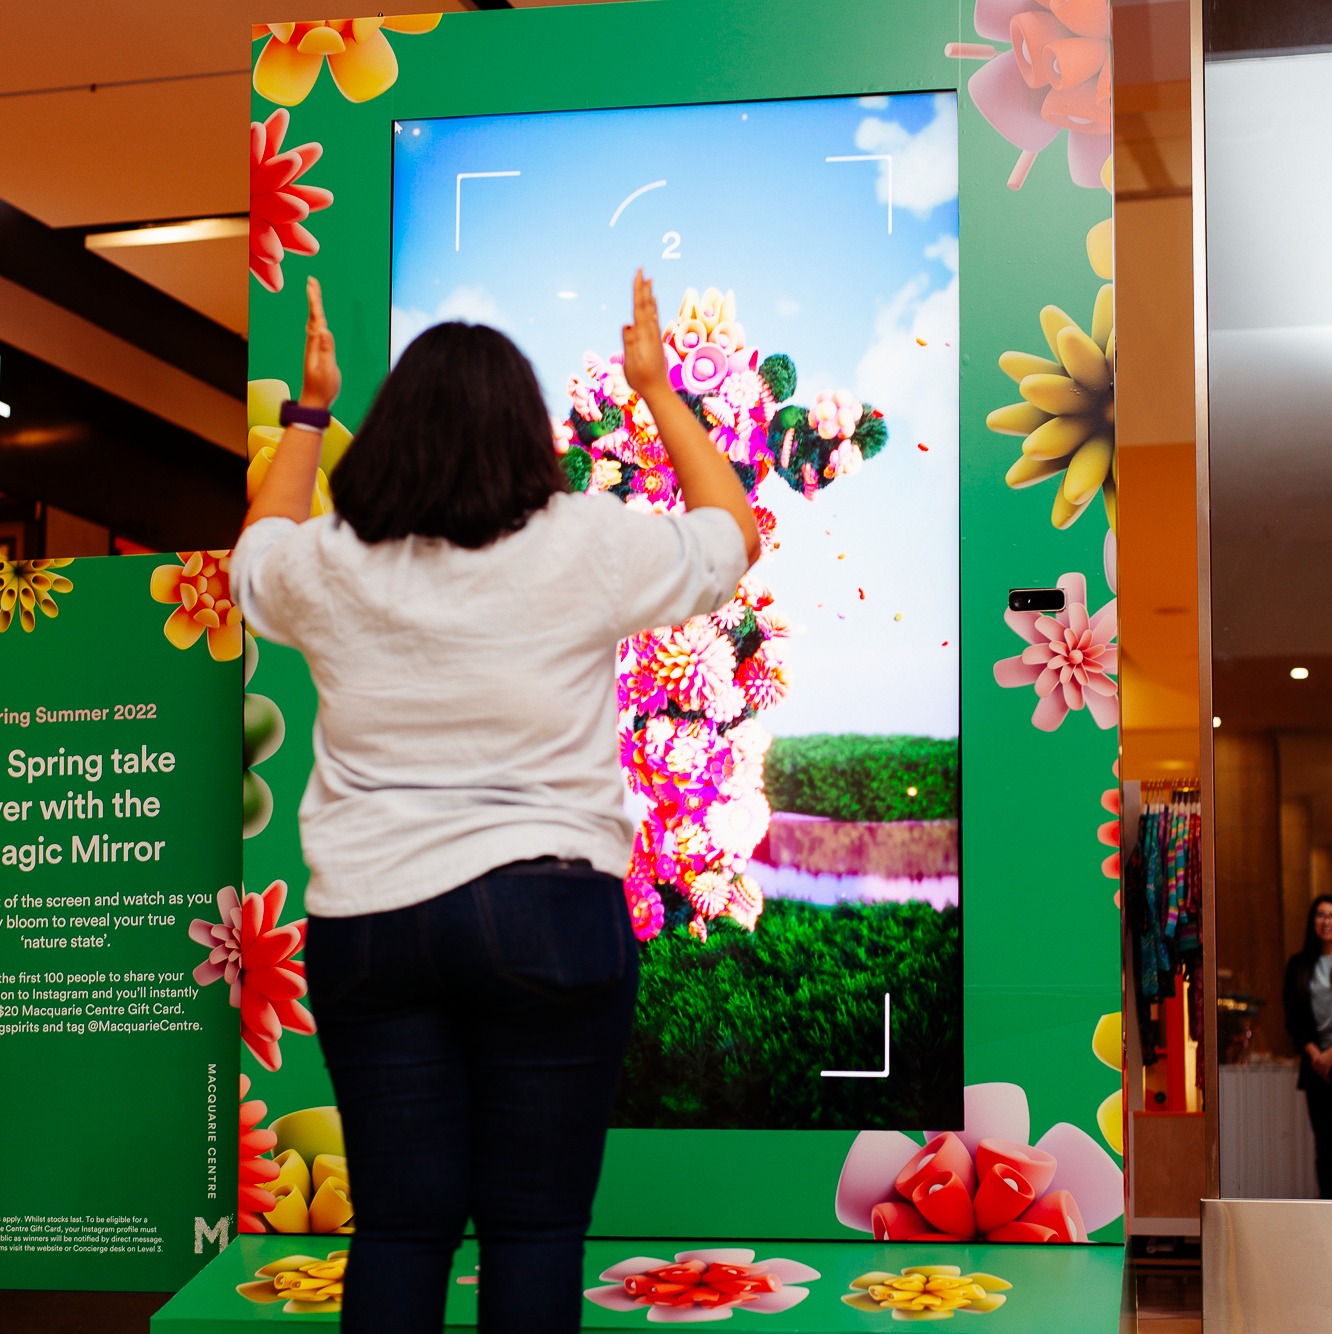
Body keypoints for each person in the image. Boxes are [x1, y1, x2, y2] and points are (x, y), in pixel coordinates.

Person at [231, 271, 759, 1333]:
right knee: (532, 1229)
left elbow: (257, 546)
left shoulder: (331, 562)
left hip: (370, 925)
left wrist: (309, 413)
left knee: (398, 1226)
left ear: (393, 435)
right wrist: (655, 389)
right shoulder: (582, 539)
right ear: (526, 434)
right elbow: (731, 532)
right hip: (546, 917)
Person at [1283, 894, 1332, 1198]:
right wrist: (1317, 1055)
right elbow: (1292, 1016)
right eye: (1321, 915)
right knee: (1325, 1145)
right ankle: (1327, 1209)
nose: (1326, 922)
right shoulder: (1299, 964)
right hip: (1316, 1069)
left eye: (1331, 916)